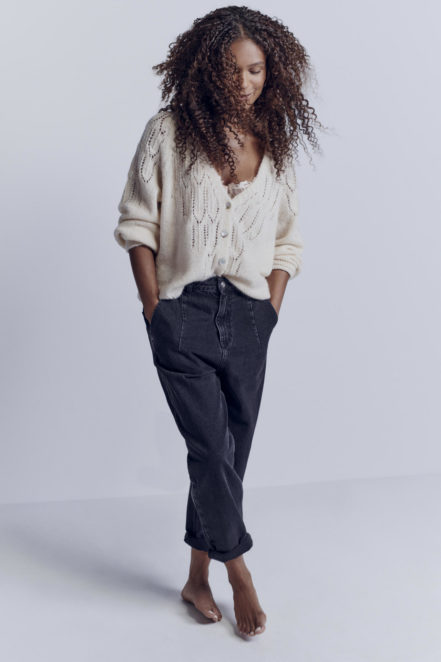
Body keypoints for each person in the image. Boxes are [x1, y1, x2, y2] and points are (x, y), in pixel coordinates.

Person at [114, 5, 324, 638]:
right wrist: (155, 308)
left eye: (256, 70)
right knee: (209, 448)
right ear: (206, 69)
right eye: (233, 70)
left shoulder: (275, 142)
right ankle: (239, 573)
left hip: (250, 317)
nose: (245, 82)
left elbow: (287, 240)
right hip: (183, 312)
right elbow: (137, 224)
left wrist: (270, 311)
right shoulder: (167, 132)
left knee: (231, 454)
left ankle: (195, 575)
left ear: (271, 72)